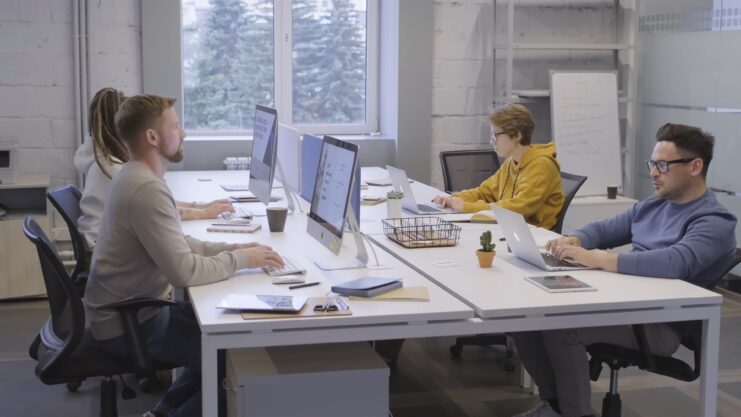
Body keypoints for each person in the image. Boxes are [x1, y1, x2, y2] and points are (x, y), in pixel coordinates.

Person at [510, 123, 737, 417]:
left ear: (695, 166)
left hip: (658, 322)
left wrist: (596, 259)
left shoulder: (715, 221)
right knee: (525, 316)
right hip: (626, 301)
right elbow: (605, 229)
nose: (654, 172)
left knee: (562, 327)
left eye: (663, 165)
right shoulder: (655, 205)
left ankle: (575, 413)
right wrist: (576, 239)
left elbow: (674, 262)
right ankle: (554, 406)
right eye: (652, 164)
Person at [83, 94, 285, 417]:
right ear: (152, 137)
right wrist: (242, 262)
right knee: (231, 359)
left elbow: (179, 242)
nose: (184, 132)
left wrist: (235, 250)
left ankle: (161, 413)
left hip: (131, 313)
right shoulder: (146, 189)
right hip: (130, 325)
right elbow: (184, 272)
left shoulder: (134, 175)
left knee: (221, 334)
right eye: (176, 126)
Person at [74, 87, 234, 248]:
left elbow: (161, 204)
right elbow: (157, 211)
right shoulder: (112, 169)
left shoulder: (105, 159)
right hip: (99, 248)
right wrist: (204, 214)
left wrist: (199, 206)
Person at [434, 103, 564, 230]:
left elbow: (517, 209)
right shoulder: (511, 162)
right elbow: (484, 192)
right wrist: (454, 199)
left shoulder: (541, 165)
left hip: (536, 237)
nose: (491, 142)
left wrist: (467, 207)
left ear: (517, 135)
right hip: (510, 229)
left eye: (495, 136)